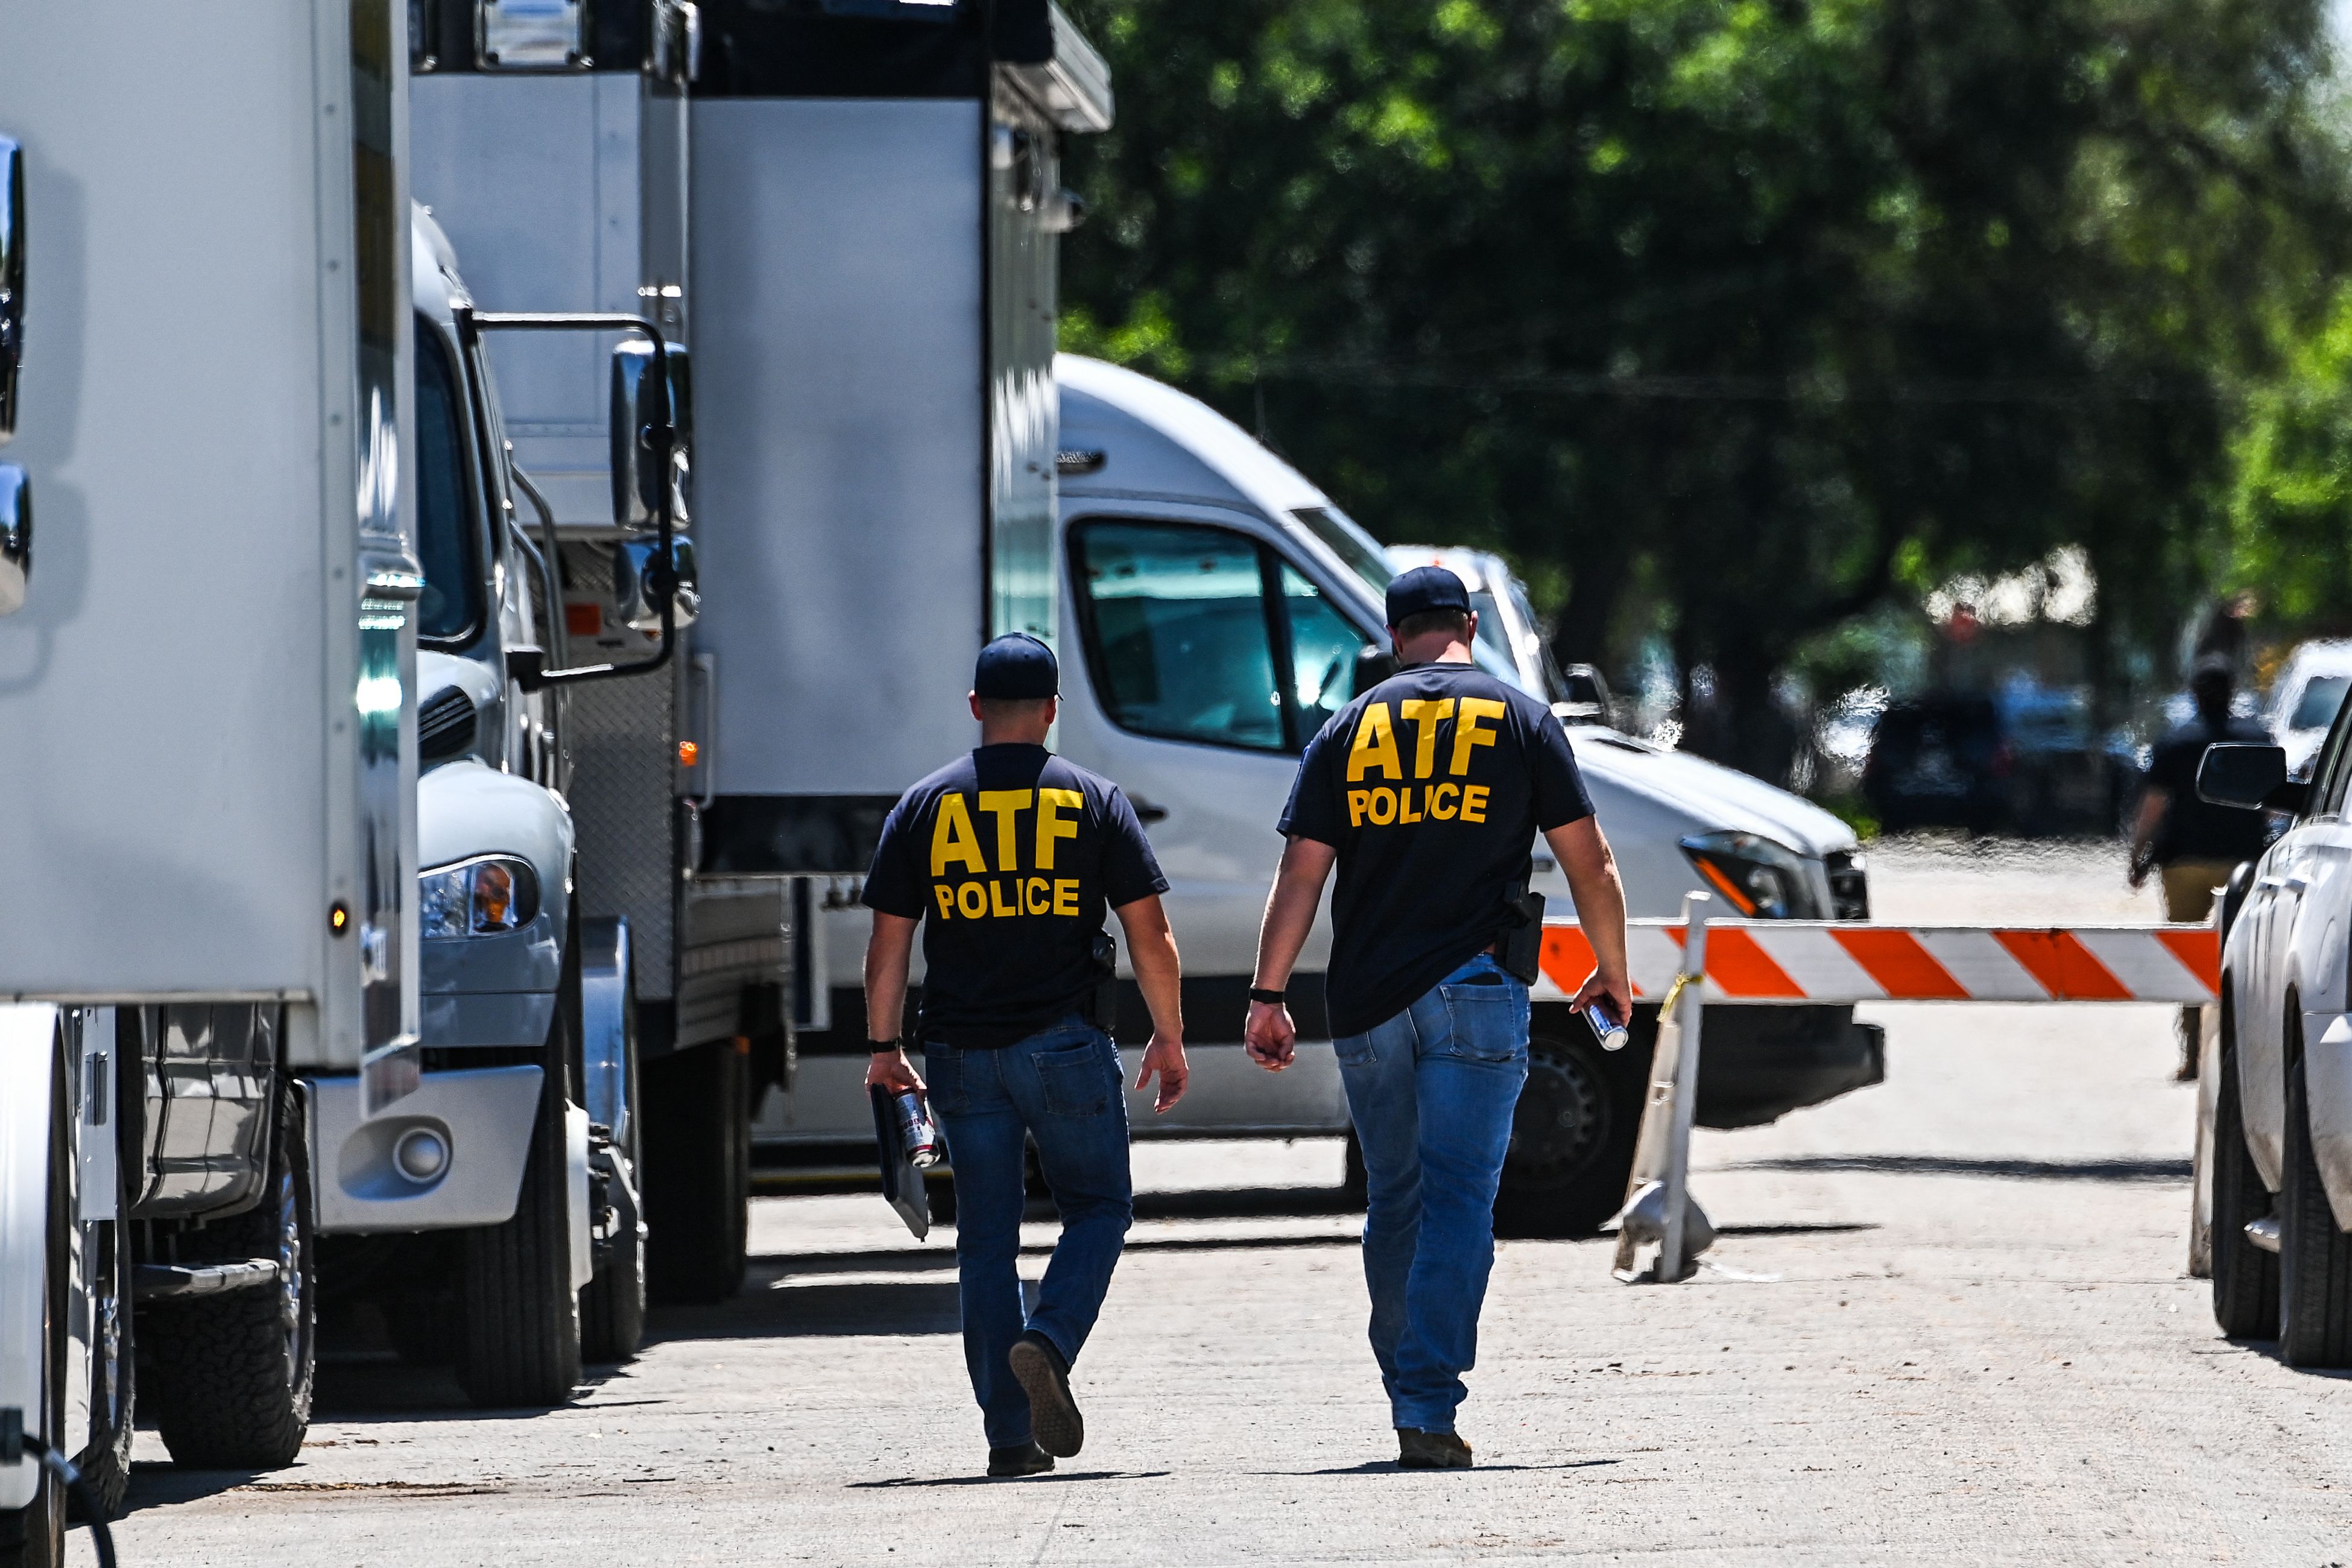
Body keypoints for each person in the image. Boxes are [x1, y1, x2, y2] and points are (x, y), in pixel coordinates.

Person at [1241, 566, 1632, 1470]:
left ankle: (1403, 1385)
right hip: (1477, 988)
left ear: (1392, 633)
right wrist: (1612, 971)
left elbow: (1302, 874)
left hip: (1368, 1000)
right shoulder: (1521, 719)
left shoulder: (1347, 728)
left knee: (1398, 1197)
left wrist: (1267, 995)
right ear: (1466, 623)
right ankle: (1426, 1397)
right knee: (1460, 1199)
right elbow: (1592, 862)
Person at [861, 633, 1189, 1478]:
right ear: (1051, 712)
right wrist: (1170, 1032)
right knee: (1098, 1209)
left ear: (975, 709)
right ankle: (1049, 1339)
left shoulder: (926, 806)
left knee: (986, 1244)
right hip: (1068, 1047)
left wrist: (884, 1049)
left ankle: (1011, 1439)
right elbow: (1148, 933)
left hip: (964, 1054)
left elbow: (890, 943)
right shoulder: (1093, 801)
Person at [2128, 654, 2271, 1080]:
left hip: (2184, 865)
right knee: (2245, 961)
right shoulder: (2256, 738)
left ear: (2194, 694)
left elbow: (2153, 808)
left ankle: (2193, 1056)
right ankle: (2243, 1059)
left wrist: (2137, 856)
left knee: (2188, 959)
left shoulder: (2176, 742)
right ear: (2234, 692)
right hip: (2241, 868)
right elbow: (2268, 809)